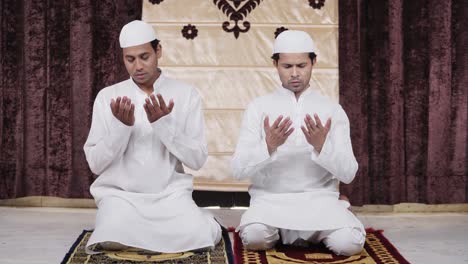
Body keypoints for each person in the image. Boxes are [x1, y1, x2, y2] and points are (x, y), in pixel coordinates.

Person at [83, 20, 221, 254]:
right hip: (121, 197)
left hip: (170, 195)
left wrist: (164, 125)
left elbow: (197, 160)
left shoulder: (186, 95)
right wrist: (121, 128)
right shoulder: (108, 97)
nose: (138, 66)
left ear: (158, 51)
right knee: (110, 234)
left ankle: (204, 220)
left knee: (200, 236)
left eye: (144, 57)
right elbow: (96, 163)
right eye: (130, 59)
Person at [231, 30, 365, 256]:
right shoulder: (258, 107)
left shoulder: (331, 110)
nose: (294, 74)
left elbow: (349, 173)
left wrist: (322, 146)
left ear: (313, 62)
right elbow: (237, 170)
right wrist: (268, 146)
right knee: (254, 237)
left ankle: (335, 212)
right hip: (270, 200)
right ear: (275, 64)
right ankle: (294, 231)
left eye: (302, 66)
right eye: (287, 66)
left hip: (319, 200)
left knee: (349, 244)